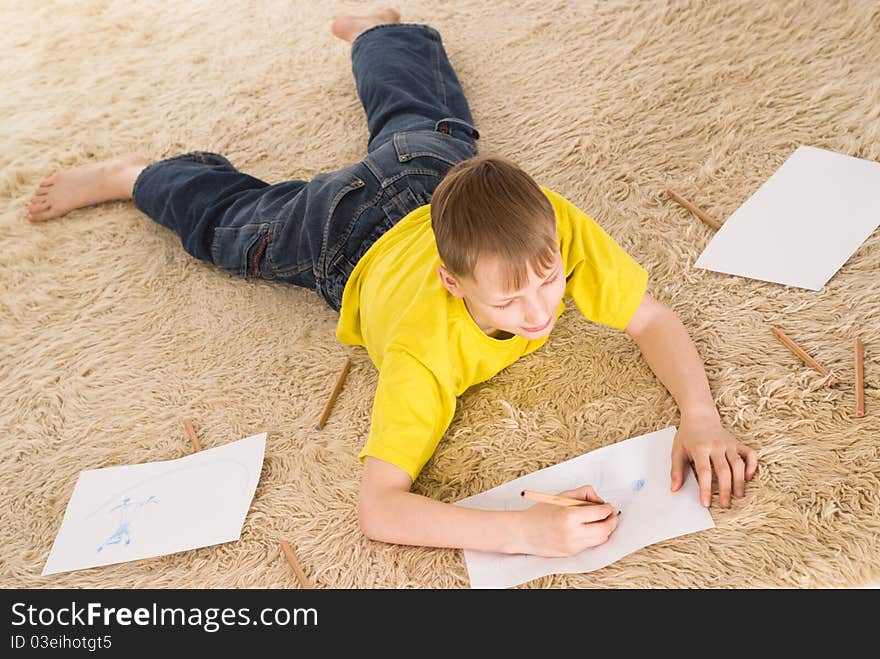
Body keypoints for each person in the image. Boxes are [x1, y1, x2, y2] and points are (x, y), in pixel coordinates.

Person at [27, 7, 757, 558]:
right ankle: (134, 175)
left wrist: (700, 413)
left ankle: (378, 28)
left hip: (433, 178)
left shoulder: (553, 229)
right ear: (452, 282)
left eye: (549, 281)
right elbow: (379, 509)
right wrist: (522, 531)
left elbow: (652, 318)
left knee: (420, 115)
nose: (541, 310)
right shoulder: (423, 352)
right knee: (229, 223)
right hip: (342, 236)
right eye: (508, 299)